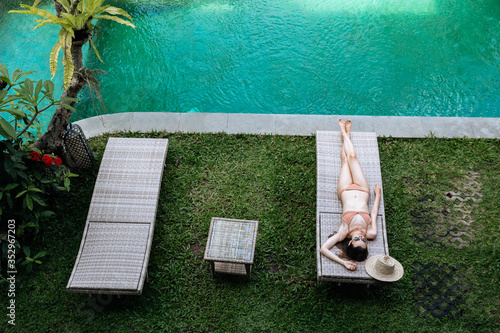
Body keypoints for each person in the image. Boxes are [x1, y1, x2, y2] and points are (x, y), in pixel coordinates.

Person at [320, 119, 381, 271]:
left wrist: (344, 262)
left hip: (345, 189)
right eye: (364, 240)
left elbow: (324, 249)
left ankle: (345, 135)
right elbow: (373, 213)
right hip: (363, 189)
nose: (361, 236)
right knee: (353, 156)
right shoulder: (371, 232)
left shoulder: (343, 232)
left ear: (349, 243)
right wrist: (378, 195)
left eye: (356, 239)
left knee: (346, 160)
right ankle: (345, 134)